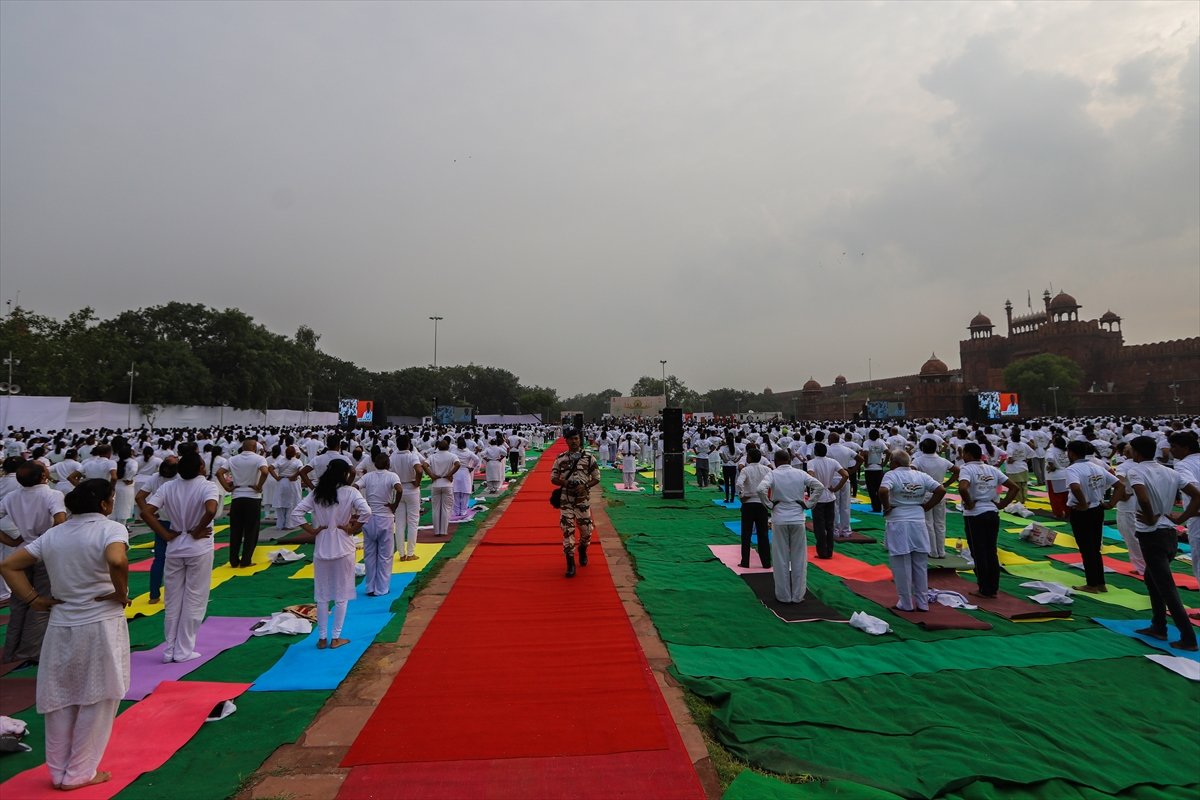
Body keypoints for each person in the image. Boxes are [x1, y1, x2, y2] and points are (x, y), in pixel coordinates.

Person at [0, 479, 130, 791]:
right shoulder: (111, 529)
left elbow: (8, 565)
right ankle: (80, 773)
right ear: (104, 505)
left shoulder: (53, 535)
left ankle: (59, 772)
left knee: (60, 697)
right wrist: (120, 592)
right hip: (99, 623)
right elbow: (116, 559)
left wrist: (33, 600)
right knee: (98, 697)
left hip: (61, 623)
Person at [140, 449, 219, 663]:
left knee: (173, 599)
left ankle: (170, 649)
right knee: (195, 597)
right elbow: (211, 510)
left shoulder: (168, 486)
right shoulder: (207, 486)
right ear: (201, 468)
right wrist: (197, 529)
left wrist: (164, 533)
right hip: (198, 546)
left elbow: (145, 511)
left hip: (174, 545)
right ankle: (184, 650)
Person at [1125, 435, 1200, 651]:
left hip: (1152, 534)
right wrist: (1182, 518)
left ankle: (1188, 637)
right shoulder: (1171, 471)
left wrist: (1149, 518)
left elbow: (1144, 498)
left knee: (1167, 588)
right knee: (1152, 578)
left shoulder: (1136, 470)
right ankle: (1158, 624)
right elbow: (1197, 496)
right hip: (1169, 533)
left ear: (1137, 453)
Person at [288, 459, 369, 649]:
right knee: (341, 594)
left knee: (322, 595)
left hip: (322, 546)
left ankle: (322, 638)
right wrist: (353, 528)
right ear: (343, 474)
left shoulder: (317, 493)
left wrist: (312, 530)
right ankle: (336, 637)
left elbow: (297, 513)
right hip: (343, 545)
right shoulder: (350, 492)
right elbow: (367, 512)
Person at [0, 460, 68, 664]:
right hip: (44, 550)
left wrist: (11, 540)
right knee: (41, 602)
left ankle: (11, 650)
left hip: (22, 550)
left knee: (20, 601)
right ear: (42, 477)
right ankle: (29, 652)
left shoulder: (12, 497)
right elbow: (60, 522)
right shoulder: (52, 494)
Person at [880, 451, 946, 611]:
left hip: (899, 520)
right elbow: (941, 490)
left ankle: (906, 602)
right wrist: (926, 506)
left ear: (894, 462)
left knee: (901, 562)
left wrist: (887, 507)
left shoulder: (892, 475)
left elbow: (882, 491)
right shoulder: (920, 476)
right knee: (920, 563)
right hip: (918, 520)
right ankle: (922, 603)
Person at [757, 450, 824, 603]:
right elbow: (819, 486)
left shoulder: (773, 474)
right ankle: (798, 595)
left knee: (780, 557)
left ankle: (783, 596)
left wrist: (769, 505)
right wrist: (808, 504)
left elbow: (760, 489)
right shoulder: (800, 473)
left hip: (779, 518)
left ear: (776, 460)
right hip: (797, 518)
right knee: (799, 557)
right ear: (789, 459)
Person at [958, 442, 1019, 598]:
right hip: (992, 512)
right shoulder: (992, 469)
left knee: (979, 552)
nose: (962, 456)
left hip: (975, 515)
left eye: (964, 453)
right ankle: (993, 587)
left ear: (969, 454)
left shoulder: (966, 468)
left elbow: (963, 487)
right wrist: (1002, 504)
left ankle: (984, 588)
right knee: (991, 551)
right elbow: (1014, 488)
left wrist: (970, 503)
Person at [1058, 440, 1117, 594]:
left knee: (1086, 549)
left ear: (1071, 453)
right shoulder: (1097, 467)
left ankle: (1092, 584)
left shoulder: (1073, 469)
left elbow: (1075, 486)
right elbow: (1120, 485)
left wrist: (1083, 504)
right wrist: (1111, 504)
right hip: (1098, 509)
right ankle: (1100, 583)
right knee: (1095, 548)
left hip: (1082, 512)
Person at [550, 427, 600, 578]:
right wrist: (565, 483)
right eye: (571, 439)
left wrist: (584, 486)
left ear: (580, 440)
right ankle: (570, 563)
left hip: (583, 500)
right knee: (568, 531)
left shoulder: (589, 458)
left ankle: (583, 549)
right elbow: (553, 478)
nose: (574, 441)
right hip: (566, 501)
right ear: (566, 441)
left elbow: (596, 478)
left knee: (587, 531)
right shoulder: (561, 459)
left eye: (576, 439)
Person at [217, 438, 269, 568]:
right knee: (251, 531)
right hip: (252, 497)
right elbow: (265, 472)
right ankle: (246, 560)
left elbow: (219, 473)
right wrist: (259, 486)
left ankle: (234, 560)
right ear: (254, 447)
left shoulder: (233, 459)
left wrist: (227, 488)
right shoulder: (259, 459)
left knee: (236, 530)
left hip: (237, 496)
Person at [134, 456, 179, 605]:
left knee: (160, 559)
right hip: (179, 523)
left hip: (160, 522)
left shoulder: (155, 478)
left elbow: (140, 497)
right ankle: (175, 595)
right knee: (181, 560)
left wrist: (149, 511)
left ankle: (154, 595)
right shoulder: (179, 478)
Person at [356, 454, 402, 596]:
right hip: (385, 517)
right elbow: (399, 489)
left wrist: (360, 504)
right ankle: (381, 588)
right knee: (385, 556)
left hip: (369, 517)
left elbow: (354, 487)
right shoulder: (392, 476)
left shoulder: (368, 477)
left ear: (375, 464)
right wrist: (394, 505)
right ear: (388, 463)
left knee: (369, 555)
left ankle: (370, 587)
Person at [912, 438, 957, 558]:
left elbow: (911, 473)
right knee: (940, 523)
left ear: (922, 448)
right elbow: (957, 471)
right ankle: (941, 551)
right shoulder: (943, 461)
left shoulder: (918, 461)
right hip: (940, 492)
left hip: (925, 493)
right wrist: (946, 484)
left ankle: (932, 550)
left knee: (928, 523)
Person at [805, 442, 849, 560]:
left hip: (818, 497)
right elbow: (845, 474)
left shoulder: (812, 462)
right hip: (830, 495)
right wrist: (836, 488)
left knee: (819, 526)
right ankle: (829, 551)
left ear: (816, 452)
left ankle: (822, 552)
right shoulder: (832, 462)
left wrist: (813, 487)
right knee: (829, 525)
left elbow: (810, 476)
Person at [1169, 431, 1200, 589]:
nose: (1171, 450)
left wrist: (1183, 517)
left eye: (1174, 446)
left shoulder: (1184, 464)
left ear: (1186, 448)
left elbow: (1195, 491)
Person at [734, 446, 772, 569]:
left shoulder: (745, 470)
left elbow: (739, 484)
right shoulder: (767, 469)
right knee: (763, 534)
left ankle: (745, 561)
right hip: (762, 504)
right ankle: (766, 562)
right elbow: (773, 483)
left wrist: (742, 496)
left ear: (749, 458)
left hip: (748, 503)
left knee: (746, 534)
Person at [388, 434, 424, 561]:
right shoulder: (411, 455)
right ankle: (410, 553)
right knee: (413, 522)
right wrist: (417, 482)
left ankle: (402, 554)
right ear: (408, 444)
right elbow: (419, 470)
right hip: (411, 488)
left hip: (398, 489)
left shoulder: (392, 456)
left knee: (399, 523)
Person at [424, 438, 460, 537]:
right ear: (448, 447)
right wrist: (450, 474)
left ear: (438, 447)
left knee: (436, 509)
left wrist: (431, 475)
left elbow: (424, 465)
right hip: (447, 483)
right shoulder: (452, 456)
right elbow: (458, 464)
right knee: (446, 508)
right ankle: (443, 531)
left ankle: (437, 531)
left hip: (436, 483)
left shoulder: (433, 456)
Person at [860, 429, 889, 512]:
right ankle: (879, 506)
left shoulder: (866, 442)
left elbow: (865, 453)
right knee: (878, 488)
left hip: (869, 469)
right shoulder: (881, 442)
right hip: (879, 468)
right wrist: (884, 463)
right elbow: (888, 452)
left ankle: (875, 506)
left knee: (871, 489)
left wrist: (866, 462)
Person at [451, 436, 480, 518]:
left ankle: (456, 511)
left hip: (456, 472)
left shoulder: (453, 452)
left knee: (456, 492)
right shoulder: (469, 452)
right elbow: (477, 459)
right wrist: (472, 467)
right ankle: (463, 511)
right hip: (465, 472)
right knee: (465, 492)